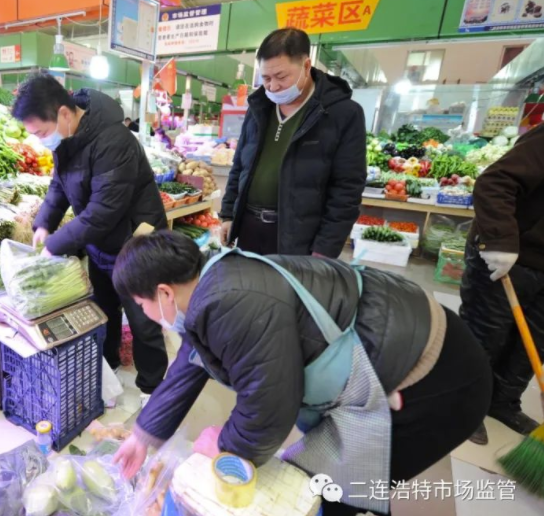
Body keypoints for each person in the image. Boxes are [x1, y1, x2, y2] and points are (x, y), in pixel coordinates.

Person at [111, 231, 491, 516]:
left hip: (437, 377)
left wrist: (225, 448)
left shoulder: (232, 302)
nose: (143, 313)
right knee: (330, 482)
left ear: (163, 293)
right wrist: (143, 436)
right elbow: (189, 367)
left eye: (141, 303)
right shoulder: (212, 282)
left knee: (344, 490)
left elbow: (270, 406)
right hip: (406, 347)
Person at [12, 74, 168, 398]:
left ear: (64, 114)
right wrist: (44, 223)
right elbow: (60, 185)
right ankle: (107, 371)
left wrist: (55, 245)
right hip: (102, 243)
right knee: (104, 311)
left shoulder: (114, 141)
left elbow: (103, 212)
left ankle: (152, 391)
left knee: (143, 321)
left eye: (42, 132)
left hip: (136, 241)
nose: (42, 140)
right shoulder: (68, 139)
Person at [220, 28, 366, 257]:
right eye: (266, 78)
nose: (273, 87)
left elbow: (347, 188)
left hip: (300, 238)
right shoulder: (259, 107)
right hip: (248, 228)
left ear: (306, 67)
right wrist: (228, 215)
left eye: (281, 77)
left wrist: (326, 247)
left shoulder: (342, 113)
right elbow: (239, 166)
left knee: (287, 292)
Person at [461, 125, 544, 445]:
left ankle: (503, 402)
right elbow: (495, 182)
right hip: (509, 254)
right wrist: (500, 241)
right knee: (486, 334)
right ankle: (464, 407)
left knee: (533, 343)